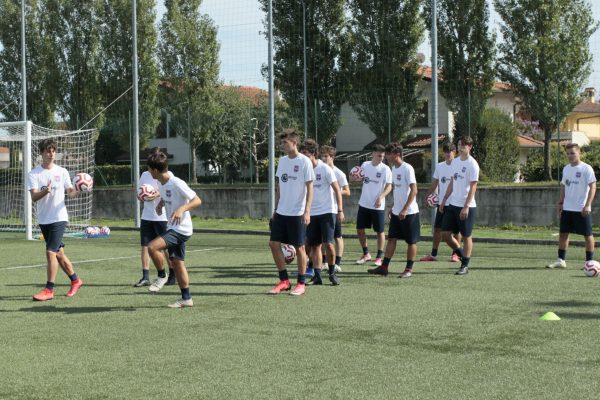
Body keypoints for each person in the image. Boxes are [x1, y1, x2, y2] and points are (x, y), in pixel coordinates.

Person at [28, 139, 84, 301]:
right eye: (47, 150)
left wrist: (80, 189)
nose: (51, 154)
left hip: (59, 218)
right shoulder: (34, 173)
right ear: (41, 153)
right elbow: (34, 197)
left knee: (50, 252)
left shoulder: (62, 171)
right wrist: (46, 191)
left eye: (53, 150)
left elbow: (71, 193)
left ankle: (49, 290)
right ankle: (76, 280)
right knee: (59, 254)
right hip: (43, 219)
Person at [146, 150, 202, 308]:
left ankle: (161, 276)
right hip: (174, 227)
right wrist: (160, 204)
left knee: (152, 247)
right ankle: (186, 298)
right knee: (177, 263)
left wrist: (181, 209)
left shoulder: (176, 182)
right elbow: (167, 197)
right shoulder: (161, 182)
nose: (149, 172)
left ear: (156, 170)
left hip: (180, 229)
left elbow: (197, 200)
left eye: (150, 169)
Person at [268, 129, 315, 296]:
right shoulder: (282, 161)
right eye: (281, 143)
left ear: (294, 143)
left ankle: (301, 283)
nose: (282, 146)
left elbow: (310, 187)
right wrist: (276, 208)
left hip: (298, 212)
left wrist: (307, 211)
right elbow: (280, 186)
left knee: (300, 248)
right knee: (273, 244)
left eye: (285, 143)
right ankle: (284, 281)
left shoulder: (305, 162)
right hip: (282, 211)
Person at [368, 143, 419, 277]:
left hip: (410, 213)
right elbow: (398, 190)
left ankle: (408, 269)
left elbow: (414, 190)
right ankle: (384, 267)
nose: (387, 157)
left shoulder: (407, 168)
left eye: (389, 154)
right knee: (392, 239)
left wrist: (405, 209)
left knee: (411, 241)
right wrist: (393, 206)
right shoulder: (394, 169)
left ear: (396, 154)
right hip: (397, 212)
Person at [546, 143, 596, 269]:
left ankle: (589, 263)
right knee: (563, 234)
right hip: (567, 208)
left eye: (573, 153)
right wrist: (561, 202)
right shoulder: (566, 168)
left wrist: (588, 205)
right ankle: (561, 260)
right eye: (568, 153)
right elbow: (563, 186)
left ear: (579, 153)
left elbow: (593, 187)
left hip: (581, 208)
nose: (570, 156)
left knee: (588, 235)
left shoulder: (586, 168)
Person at [300, 139, 343, 286]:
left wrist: (340, 210)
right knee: (315, 246)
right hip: (311, 213)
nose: (302, 156)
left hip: (327, 212)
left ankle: (332, 273)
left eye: (305, 153)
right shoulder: (303, 169)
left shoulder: (325, 169)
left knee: (329, 244)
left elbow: (337, 189)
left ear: (312, 154)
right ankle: (317, 276)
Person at [439, 136, 480, 275]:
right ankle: (462, 254)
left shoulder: (473, 164)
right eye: (459, 144)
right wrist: (444, 199)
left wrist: (466, 206)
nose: (461, 146)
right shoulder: (455, 162)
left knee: (466, 235)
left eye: (464, 144)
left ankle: (465, 265)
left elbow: (473, 187)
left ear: (470, 147)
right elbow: (452, 182)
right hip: (452, 204)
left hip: (466, 206)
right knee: (445, 234)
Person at [135, 148, 175, 287]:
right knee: (145, 246)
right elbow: (139, 193)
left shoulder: (168, 174)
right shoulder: (145, 174)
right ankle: (145, 276)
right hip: (147, 216)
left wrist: (156, 194)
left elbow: (168, 190)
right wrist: (142, 196)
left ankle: (172, 274)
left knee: (165, 247)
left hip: (162, 217)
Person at [420, 143, 461, 262]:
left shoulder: (458, 166)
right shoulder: (439, 166)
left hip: (455, 203)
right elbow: (435, 183)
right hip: (442, 204)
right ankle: (433, 254)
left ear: (455, 152)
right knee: (437, 229)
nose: (448, 154)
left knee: (455, 231)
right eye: (446, 151)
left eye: (451, 151)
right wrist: (427, 195)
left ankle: (456, 254)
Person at [352, 144, 393, 267]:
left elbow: (389, 186)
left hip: (377, 206)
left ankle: (379, 256)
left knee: (379, 231)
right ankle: (366, 254)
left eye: (383, 156)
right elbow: (357, 178)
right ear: (373, 154)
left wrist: (381, 197)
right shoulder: (365, 165)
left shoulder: (386, 169)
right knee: (360, 229)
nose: (381, 158)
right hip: (364, 203)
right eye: (379, 155)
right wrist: (354, 178)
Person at [320, 145, 350, 272]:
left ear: (332, 157)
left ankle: (337, 263)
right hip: (322, 209)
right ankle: (324, 262)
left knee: (337, 237)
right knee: (323, 238)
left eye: (326, 156)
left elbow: (347, 192)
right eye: (322, 156)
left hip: (334, 209)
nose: (323, 158)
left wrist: (335, 191)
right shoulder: (320, 170)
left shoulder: (339, 173)